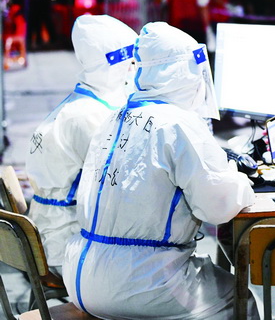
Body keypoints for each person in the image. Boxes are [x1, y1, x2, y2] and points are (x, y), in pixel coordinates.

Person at [62, 22, 259, 320]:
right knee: (241, 298)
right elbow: (218, 207)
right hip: (141, 283)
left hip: (81, 276)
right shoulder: (178, 123)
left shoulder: (114, 116)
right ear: (183, 72)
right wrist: (240, 178)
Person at [26, 14, 138, 277]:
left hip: (57, 235)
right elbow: (120, 185)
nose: (134, 70)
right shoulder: (88, 116)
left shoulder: (84, 104)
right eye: (131, 62)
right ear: (114, 64)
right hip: (66, 247)